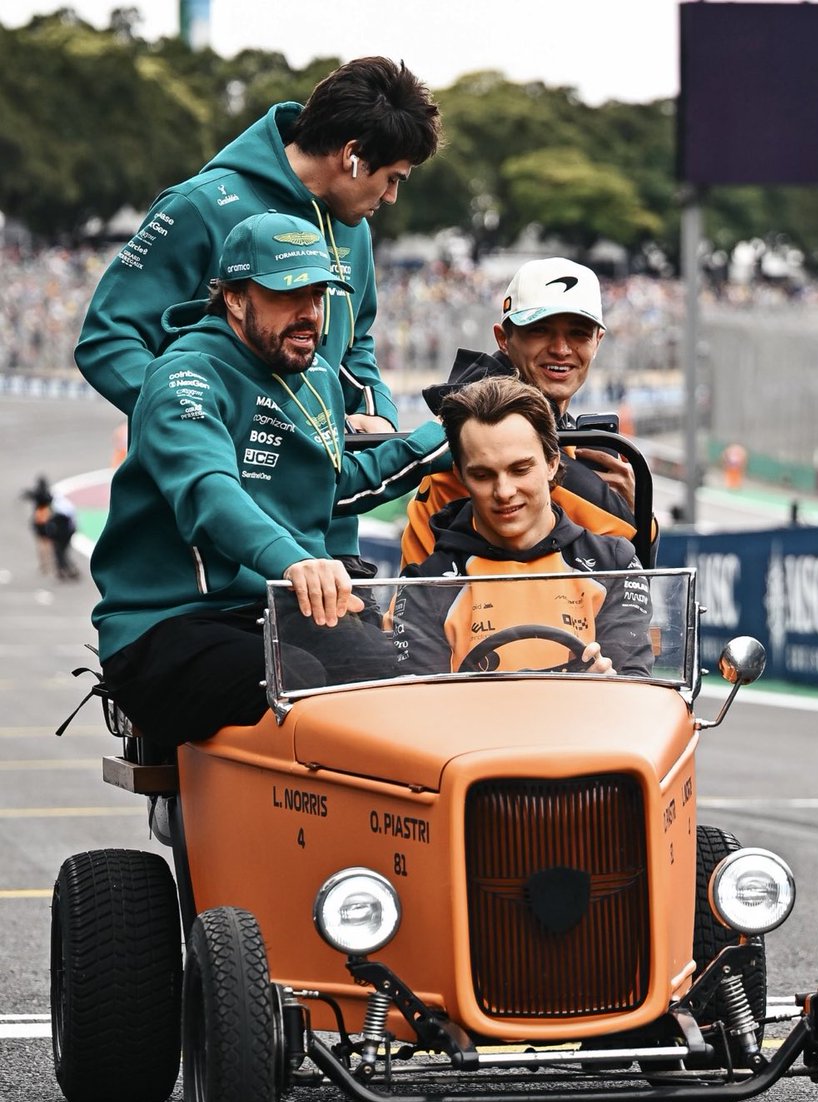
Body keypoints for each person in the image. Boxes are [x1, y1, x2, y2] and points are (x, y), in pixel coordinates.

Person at [91, 212, 449, 747]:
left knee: (409, 678)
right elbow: (210, 491)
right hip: (171, 626)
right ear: (234, 298)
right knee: (319, 695)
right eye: (288, 295)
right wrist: (297, 560)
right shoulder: (183, 376)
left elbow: (333, 486)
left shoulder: (318, 378)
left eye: (320, 295)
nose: (309, 315)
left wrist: (439, 441)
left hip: (274, 612)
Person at [76, 55, 442, 572]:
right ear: (354, 155)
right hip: (209, 532)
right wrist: (205, 421)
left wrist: (378, 412)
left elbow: (355, 340)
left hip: (326, 528)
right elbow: (107, 340)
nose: (392, 196)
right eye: (391, 178)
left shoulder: (354, 229)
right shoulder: (200, 206)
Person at [400, 257, 657, 569]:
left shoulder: (568, 436)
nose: (561, 349)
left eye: (579, 333)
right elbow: (621, 532)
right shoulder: (473, 431)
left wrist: (636, 506)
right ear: (503, 339)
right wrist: (639, 516)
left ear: (598, 341)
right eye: (540, 330)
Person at [393, 377, 652, 678]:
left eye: (520, 469)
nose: (504, 491)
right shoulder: (426, 584)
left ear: (552, 463)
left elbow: (636, 693)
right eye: (482, 474)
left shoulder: (615, 563)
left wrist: (609, 685)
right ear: (460, 475)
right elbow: (420, 711)